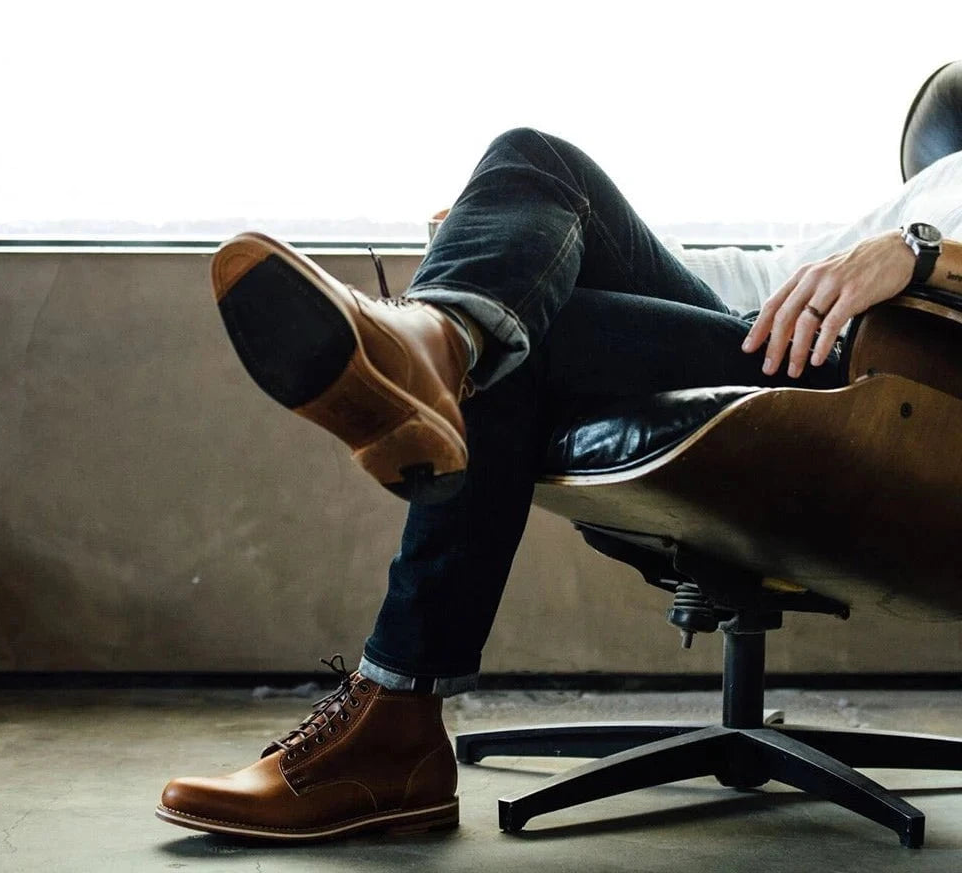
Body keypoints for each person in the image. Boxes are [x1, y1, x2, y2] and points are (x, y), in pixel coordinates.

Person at [155, 125, 962, 842]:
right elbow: (779, 280)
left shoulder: (927, 227)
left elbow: (890, 277)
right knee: (535, 166)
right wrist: (515, 248)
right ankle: (441, 332)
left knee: (516, 340)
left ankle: (392, 727)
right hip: (777, 346)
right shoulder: (945, 174)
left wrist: (920, 254)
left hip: (895, 402)